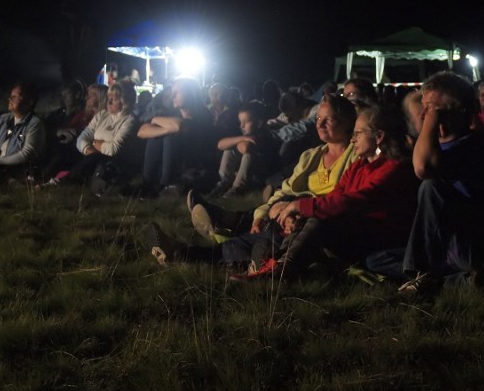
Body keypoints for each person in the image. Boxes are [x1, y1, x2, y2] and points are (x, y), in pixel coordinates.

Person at [144, 95, 359, 268]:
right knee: (254, 235)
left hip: (314, 220)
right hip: (289, 211)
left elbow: (342, 200)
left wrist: (295, 209)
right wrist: (265, 212)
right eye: (319, 118)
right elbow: (285, 189)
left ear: (348, 122)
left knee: (262, 239)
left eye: (328, 119)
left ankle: (207, 246)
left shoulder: (355, 157)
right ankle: (184, 252)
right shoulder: (312, 156)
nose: (320, 124)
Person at [230, 104, 418, 280]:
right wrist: (298, 212)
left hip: (377, 237)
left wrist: (300, 205)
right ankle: (276, 264)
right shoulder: (359, 166)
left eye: (358, 134)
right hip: (354, 231)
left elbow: (354, 200)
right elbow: (336, 196)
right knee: (301, 221)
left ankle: (281, 267)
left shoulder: (393, 167)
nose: (353, 139)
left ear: (379, 137)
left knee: (319, 217)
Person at [397, 72, 484, 294]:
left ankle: (422, 273)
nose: (424, 114)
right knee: (377, 259)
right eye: (424, 107)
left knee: (431, 186)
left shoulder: (472, 146)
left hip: (470, 245)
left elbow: (423, 168)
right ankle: (457, 281)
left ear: (458, 112)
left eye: (432, 108)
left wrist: (431, 120)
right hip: (445, 243)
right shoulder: (439, 147)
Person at [41, 80, 139, 188]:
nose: (109, 102)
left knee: (94, 157)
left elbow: (113, 149)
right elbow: (82, 138)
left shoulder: (129, 120)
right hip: (91, 153)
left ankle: (63, 181)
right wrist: (90, 148)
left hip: (109, 160)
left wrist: (92, 142)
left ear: (125, 102)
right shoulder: (102, 115)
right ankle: (42, 175)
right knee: (69, 149)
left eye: (114, 99)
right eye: (109, 97)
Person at [136, 77, 216, 197]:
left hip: (193, 164)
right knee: (156, 136)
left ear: (190, 93)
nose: (172, 96)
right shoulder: (171, 114)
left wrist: (156, 122)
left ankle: (166, 184)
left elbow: (180, 126)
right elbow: (141, 132)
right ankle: (148, 183)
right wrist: (163, 127)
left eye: (177, 92)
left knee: (169, 137)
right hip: (174, 162)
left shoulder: (203, 115)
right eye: (172, 92)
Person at [208, 101, 279, 198]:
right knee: (229, 151)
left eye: (246, 122)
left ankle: (237, 188)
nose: (242, 126)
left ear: (259, 123)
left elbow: (246, 148)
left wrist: (237, 143)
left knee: (248, 155)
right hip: (251, 172)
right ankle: (225, 182)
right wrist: (242, 139)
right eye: (240, 122)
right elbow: (220, 144)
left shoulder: (264, 136)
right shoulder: (246, 135)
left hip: (261, 176)